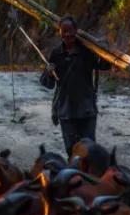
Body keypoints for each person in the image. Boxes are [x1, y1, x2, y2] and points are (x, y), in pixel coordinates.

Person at [40, 15, 112, 155]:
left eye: (70, 30)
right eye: (64, 31)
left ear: (76, 31)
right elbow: (47, 84)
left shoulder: (87, 51)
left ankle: (89, 176)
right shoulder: (56, 54)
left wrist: (105, 51)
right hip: (66, 112)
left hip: (86, 110)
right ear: (59, 33)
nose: (67, 34)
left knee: (89, 150)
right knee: (72, 151)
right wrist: (48, 73)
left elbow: (104, 66)